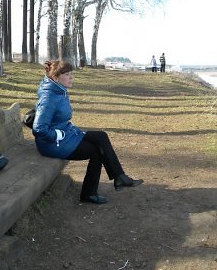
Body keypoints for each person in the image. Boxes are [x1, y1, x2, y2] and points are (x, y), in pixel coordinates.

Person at [32, 60, 143, 204]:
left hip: (65, 135)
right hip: (52, 143)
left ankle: (119, 177)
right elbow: (39, 129)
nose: (71, 77)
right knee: (96, 151)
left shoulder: (59, 92)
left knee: (101, 137)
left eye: (71, 74)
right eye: (67, 74)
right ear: (55, 77)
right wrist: (59, 135)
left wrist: (66, 131)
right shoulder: (49, 97)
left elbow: (58, 120)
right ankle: (91, 192)